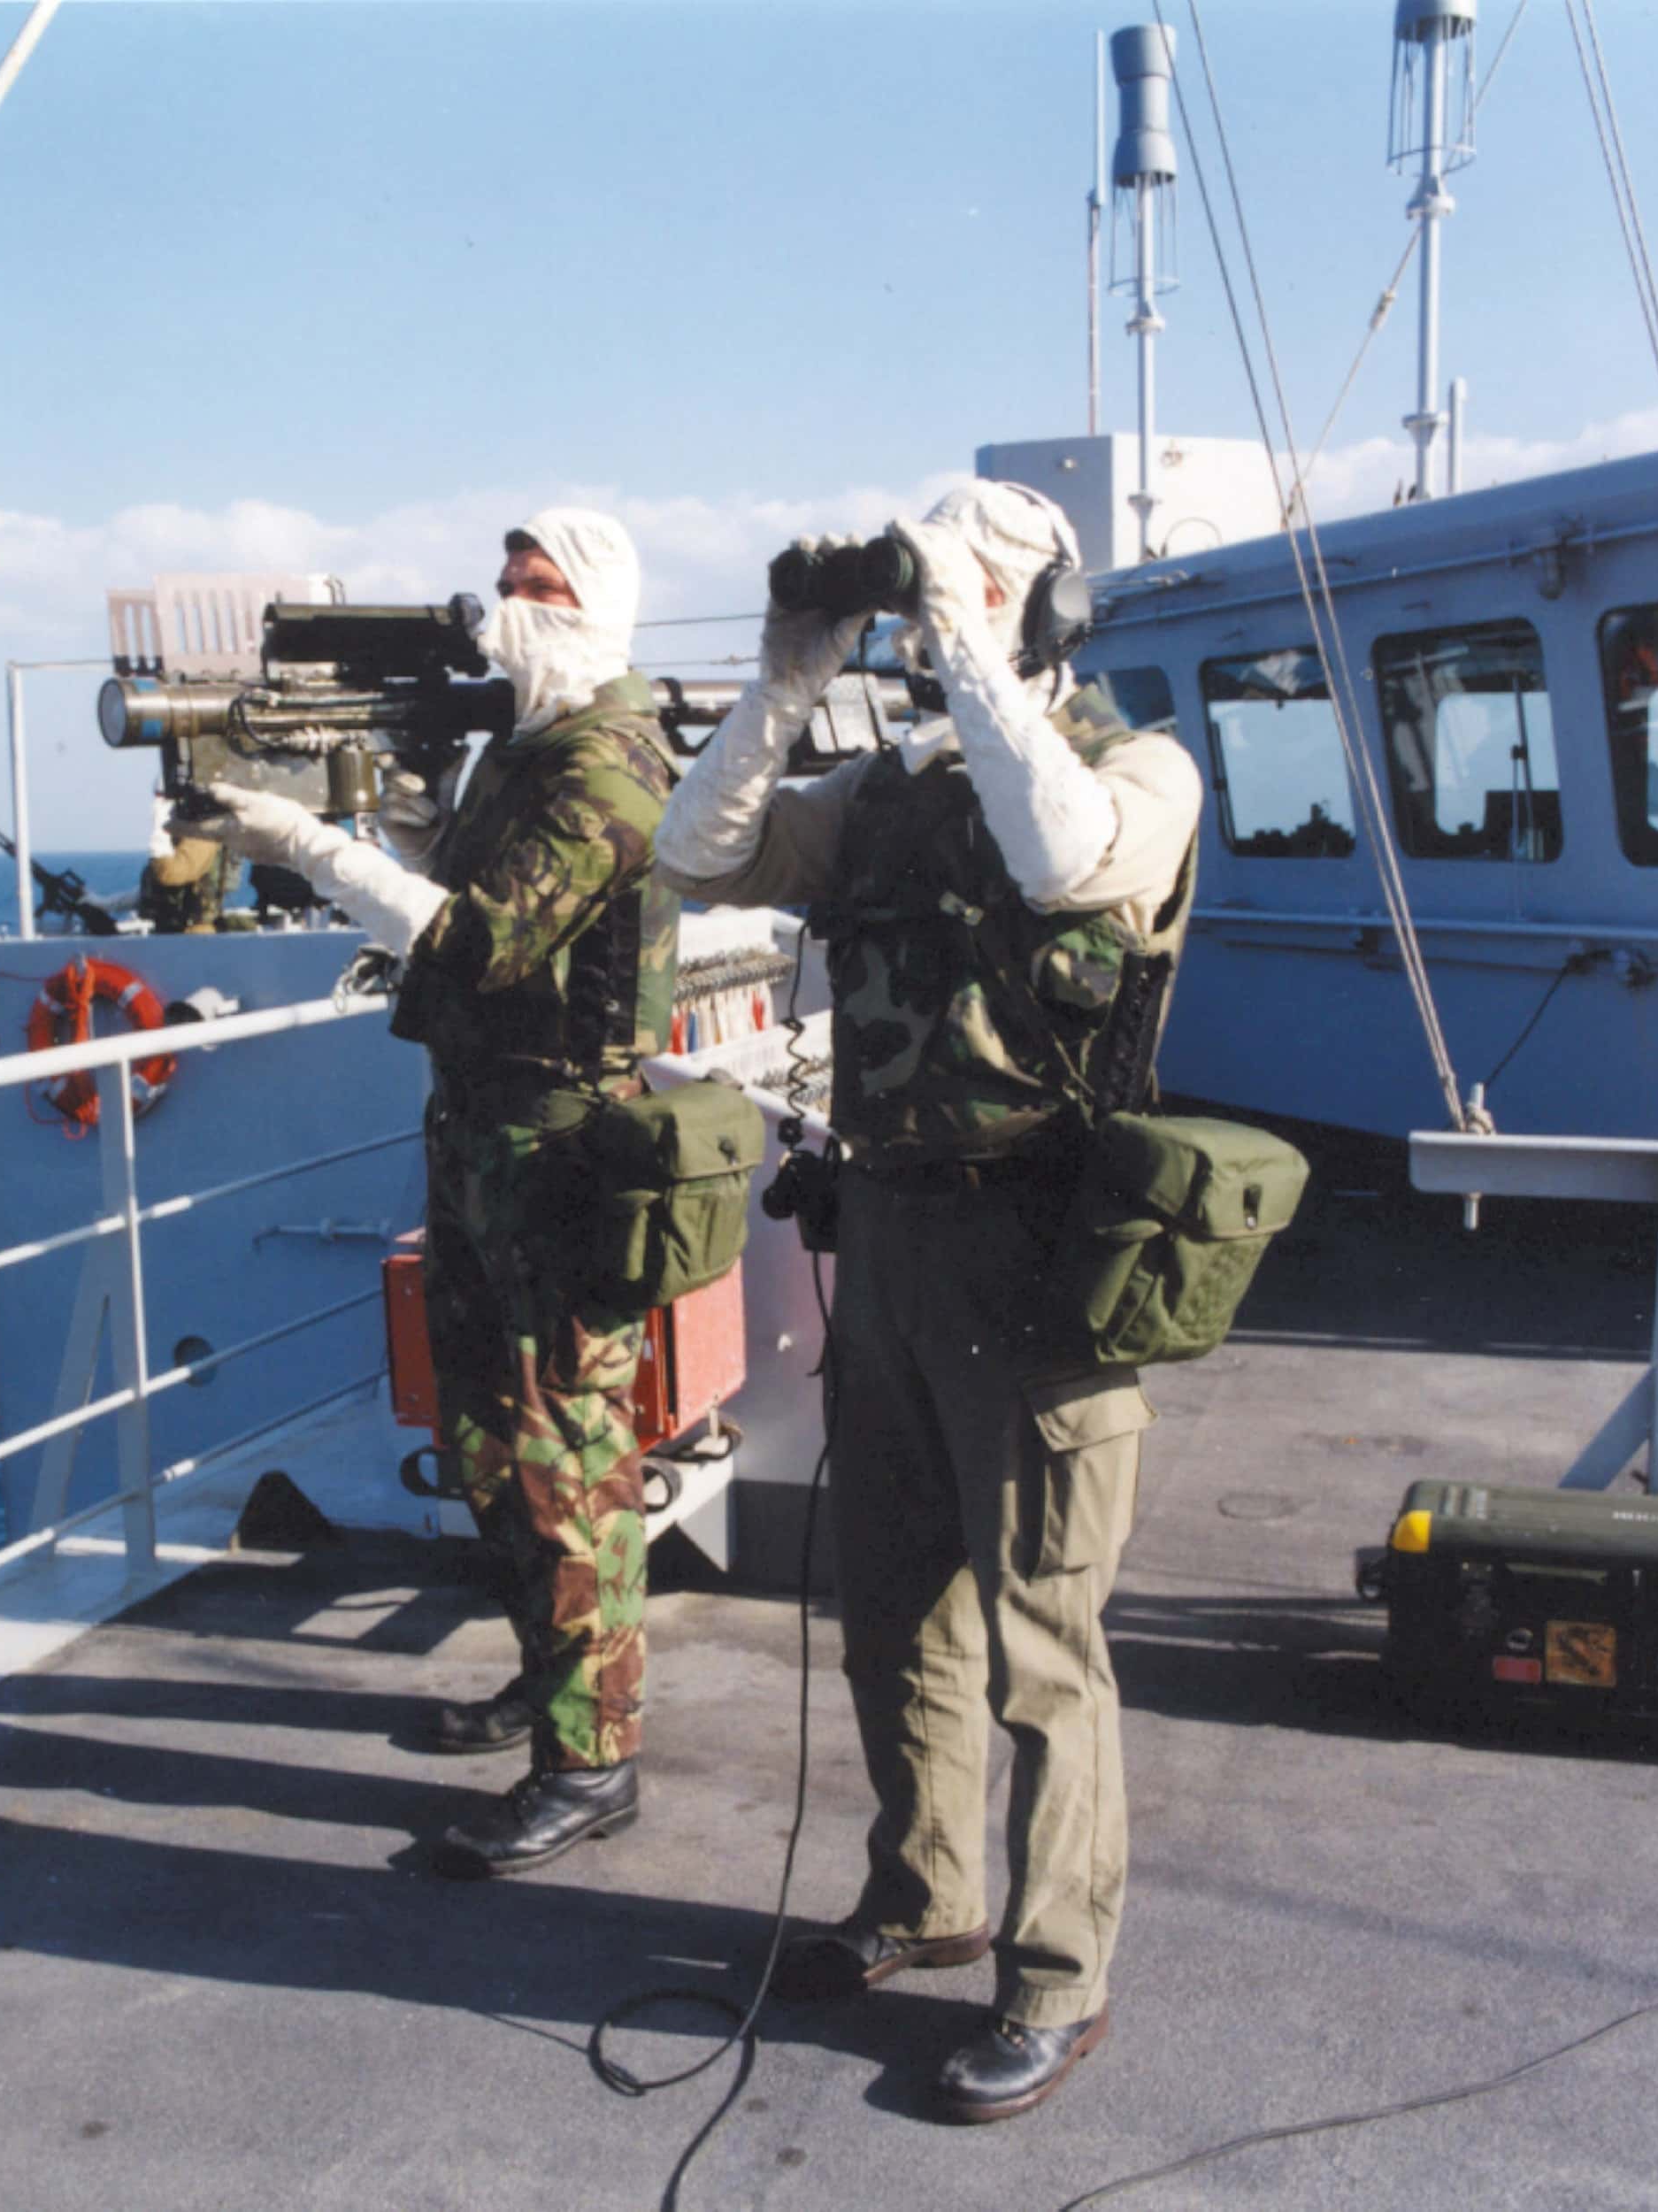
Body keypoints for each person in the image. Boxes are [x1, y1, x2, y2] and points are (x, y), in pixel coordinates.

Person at [653, 481, 1201, 2124]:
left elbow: (1059, 868)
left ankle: (1056, 1978)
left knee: (1043, 1639)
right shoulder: (885, 798)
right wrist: (786, 671)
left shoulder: (1138, 770)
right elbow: (699, 856)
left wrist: (967, 634)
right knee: (891, 1609)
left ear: (1044, 611)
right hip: (887, 1241)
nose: (932, 610)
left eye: (977, 586)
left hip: (1038, 1251)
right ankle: (924, 1893)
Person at [200, 509, 679, 1876]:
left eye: (543, 588)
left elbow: (477, 942)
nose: (511, 606)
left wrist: (306, 844)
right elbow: (453, 877)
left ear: (599, 610)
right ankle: (554, 1677)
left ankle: (594, 1762)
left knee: (564, 1454)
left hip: (557, 1138)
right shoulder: (528, 746)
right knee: (489, 1439)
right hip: (482, 1127)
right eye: (506, 583)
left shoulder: (607, 764)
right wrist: (411, 803)